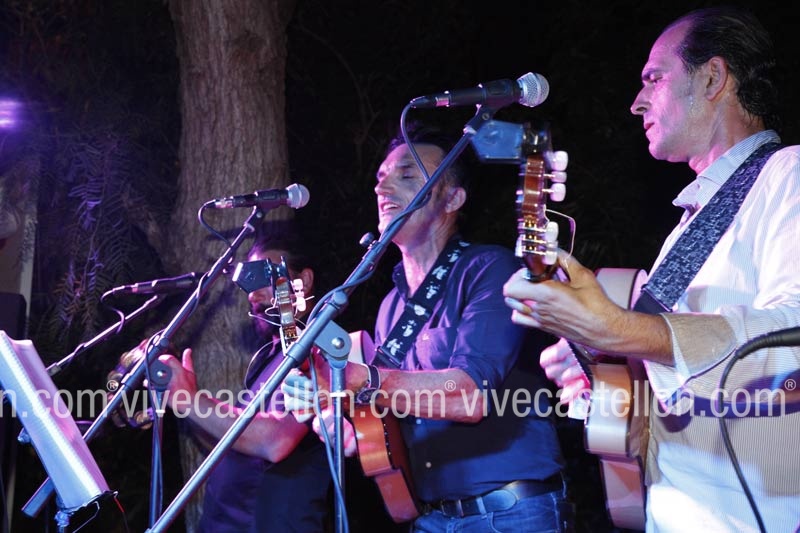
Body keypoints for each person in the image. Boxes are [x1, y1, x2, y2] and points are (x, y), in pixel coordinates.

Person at [503, 7, 800, 532]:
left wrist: (620, 330)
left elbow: (791, 336)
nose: (637, 102)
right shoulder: (690, 226)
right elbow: (670, 382)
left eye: (653, 79)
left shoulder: (788, 174)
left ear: (712, 78)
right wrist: (604, 368)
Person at [285, 124, 573, 532]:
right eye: (381, 177)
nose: (382, 188)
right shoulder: (390, 305)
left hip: (511, 512)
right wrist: (340, 422)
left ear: (453, 198)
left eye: (407, 175)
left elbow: (469, 396)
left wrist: (359, 379)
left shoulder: (490, 269)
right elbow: (389, 413)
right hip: (433, 517)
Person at [159, 223, 331, 532]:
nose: (253, 294)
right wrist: (186, 400)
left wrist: (190, 401)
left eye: (266, 276)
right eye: (250, 282)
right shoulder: (270, 357)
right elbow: (235, 441)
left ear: (303, 281)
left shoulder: (321, 352)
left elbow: (275, 441)